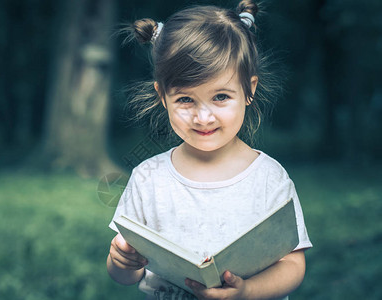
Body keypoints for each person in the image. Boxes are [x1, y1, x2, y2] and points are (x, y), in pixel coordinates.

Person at [107, 1, 312, 299]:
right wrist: (121, 261)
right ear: (163, 96)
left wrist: (247, 291)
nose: (203, 118)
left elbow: (293, 263)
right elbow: (126, 274)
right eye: (185, 100)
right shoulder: (148, 178)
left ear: (249, 89)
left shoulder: (269, 178)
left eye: (220, 96)